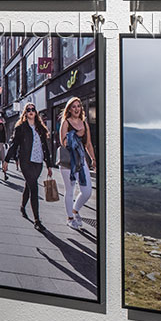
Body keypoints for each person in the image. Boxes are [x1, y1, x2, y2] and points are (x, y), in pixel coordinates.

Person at [5, 103, 53, 232]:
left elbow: (45, 148)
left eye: (33, 109)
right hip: (26, 161)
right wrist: (6, 160)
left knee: (29, 185)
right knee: (34, 188)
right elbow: (14, 145)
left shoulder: (40, 129)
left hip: (38, 162)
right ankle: (37, 220)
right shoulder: (21, 127)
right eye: (28, 110)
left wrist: (49, 165)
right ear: (25, 113)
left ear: (36, 112)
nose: (31, 111)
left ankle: (22, 206)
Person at [58, 97, 97, 230]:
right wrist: (75, 134)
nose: (76, 109)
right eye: (73, 106)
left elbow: (88, 144)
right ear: (69, 109)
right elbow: (63, 142)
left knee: (87, 191)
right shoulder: (66, 123)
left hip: (81, 161)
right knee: (70, 190)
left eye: (78, 106)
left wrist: (93, 159)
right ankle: (70, 218)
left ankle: (75, 210)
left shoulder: (84, 124)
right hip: (68, 162)